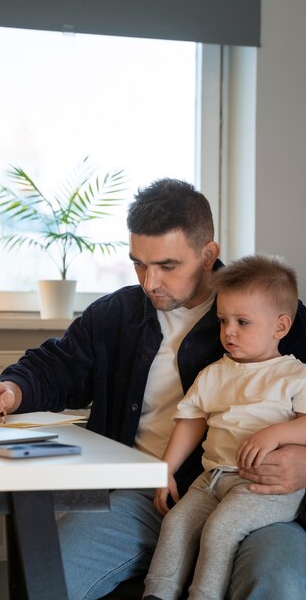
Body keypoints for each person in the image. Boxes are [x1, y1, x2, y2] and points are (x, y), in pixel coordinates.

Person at [0, 179, 306, 600]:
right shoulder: (117, 313)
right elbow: (58, 365)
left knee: (280, 580)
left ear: (208, 254)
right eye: (138, 264)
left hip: (257, 495)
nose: (150, 282)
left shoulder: (277, 315)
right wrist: (11, 389)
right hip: (141, 500)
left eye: (167, 266)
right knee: (48, 572)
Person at [143, 255, 306, 600]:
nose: (228, 332)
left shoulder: (295, 376)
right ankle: (157, 593)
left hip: (262, 485)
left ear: (280, 327)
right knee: (175, 525)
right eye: (222, 320)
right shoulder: (214, 373)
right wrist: (166, 469)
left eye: (242, 322)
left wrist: (277, 433)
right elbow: (191, 421)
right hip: (211, 480)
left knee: (220, 530)